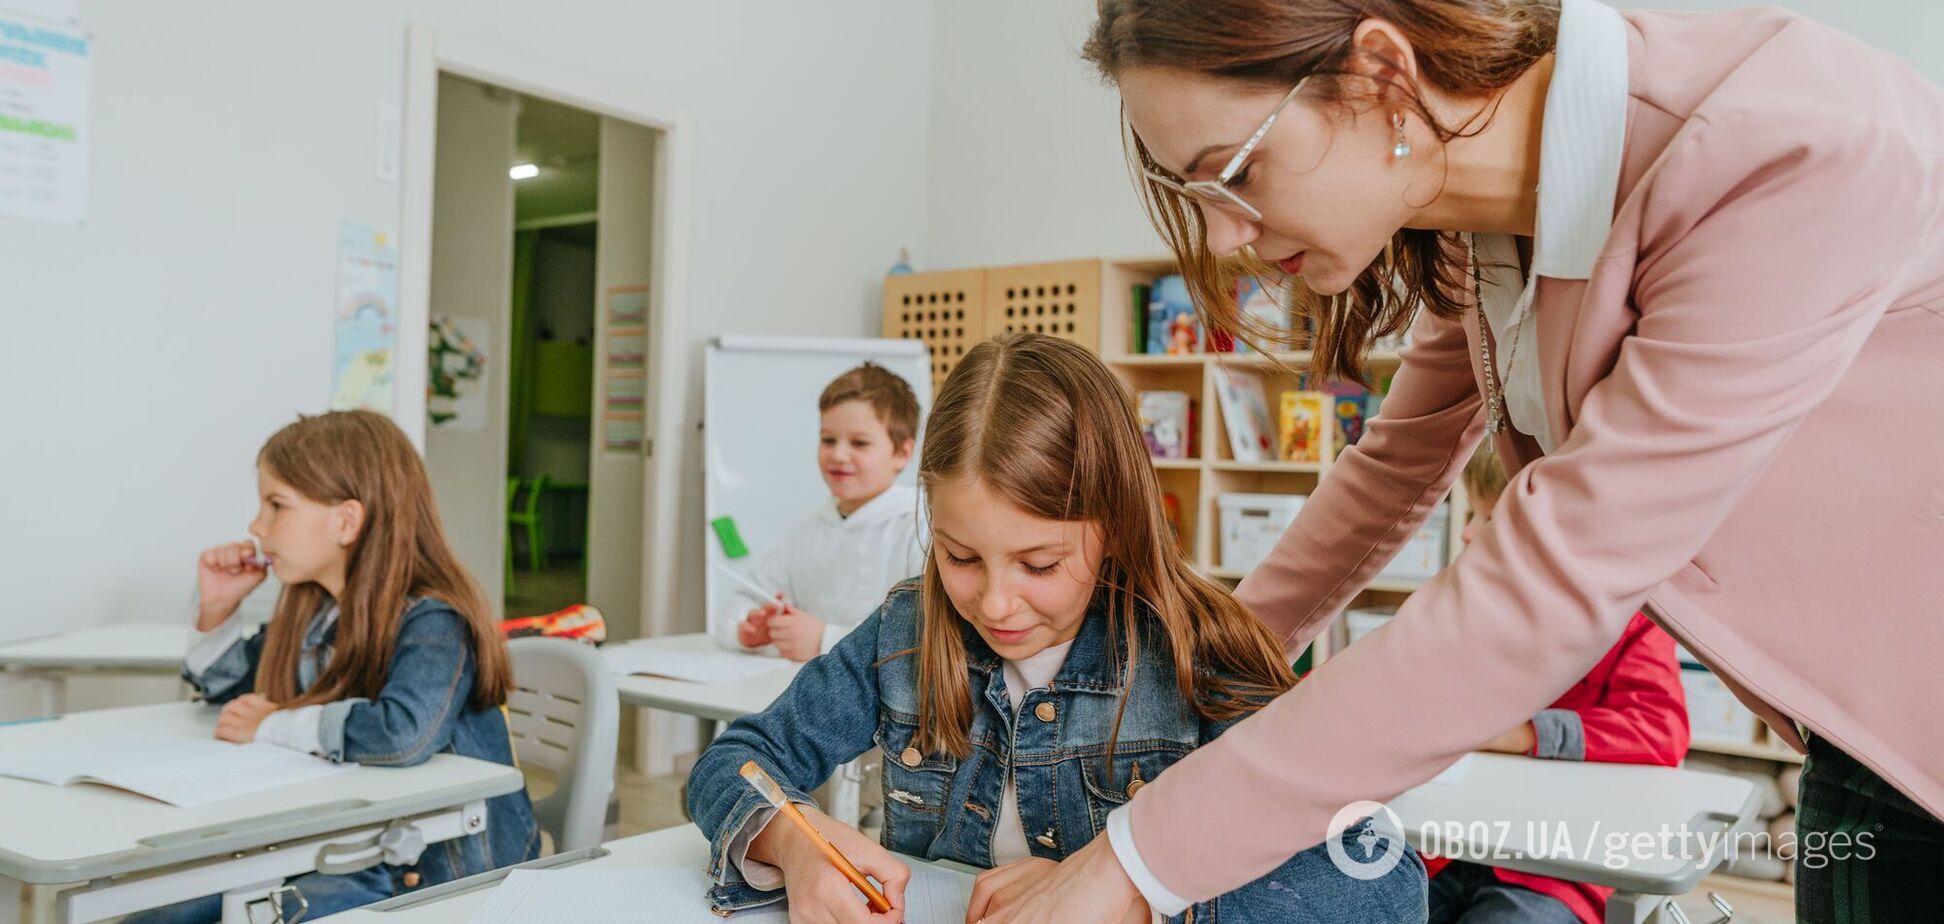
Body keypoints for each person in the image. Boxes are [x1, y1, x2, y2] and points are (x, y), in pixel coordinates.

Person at [976, 1, 1944, 921]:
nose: (1227, 234)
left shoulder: (1784, 153)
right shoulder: (1491, 227)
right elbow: (1387, 475)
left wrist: (1138, 863)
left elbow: (1550, 583)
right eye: (1200, 195)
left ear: (1383, 72)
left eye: (1233, 172)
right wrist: (1186, 690)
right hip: (1868, 739)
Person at [687, 333, 1425, 923]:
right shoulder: (905, 632)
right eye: (962, 556)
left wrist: (1130, 894)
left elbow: (1380, 880)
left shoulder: (1197, 653)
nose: (998, 605)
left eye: (1040, 564)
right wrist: (796, 843)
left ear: (1115, 528)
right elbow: (737, 760)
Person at [127, 411, 538, 924]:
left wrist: (273, 724)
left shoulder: (435, 621)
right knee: (160, 914)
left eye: (276, 505)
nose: (256, 526)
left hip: (437, 875)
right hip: (345, 850)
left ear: (347, 520)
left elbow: (402, 734)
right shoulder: (319, 613)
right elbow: (230, 691)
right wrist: (218, 610)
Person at [1429, 447, 1689, 924]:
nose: (1466, 533)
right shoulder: (1470, 603)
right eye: (1471, 514)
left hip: (1556, 863)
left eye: (1486, 518)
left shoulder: (1631, 618)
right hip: (1447, 844)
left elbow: (1660, 731)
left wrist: (1526, 733)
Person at [719, 362, 927, 662]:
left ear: (902, 453)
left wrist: (824, 639)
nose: (838, 455)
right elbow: (740, 601)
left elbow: (922, 634)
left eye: (859, 443)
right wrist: (748, 630)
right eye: (828, 440)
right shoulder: (809, 529)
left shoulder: (919, 527)